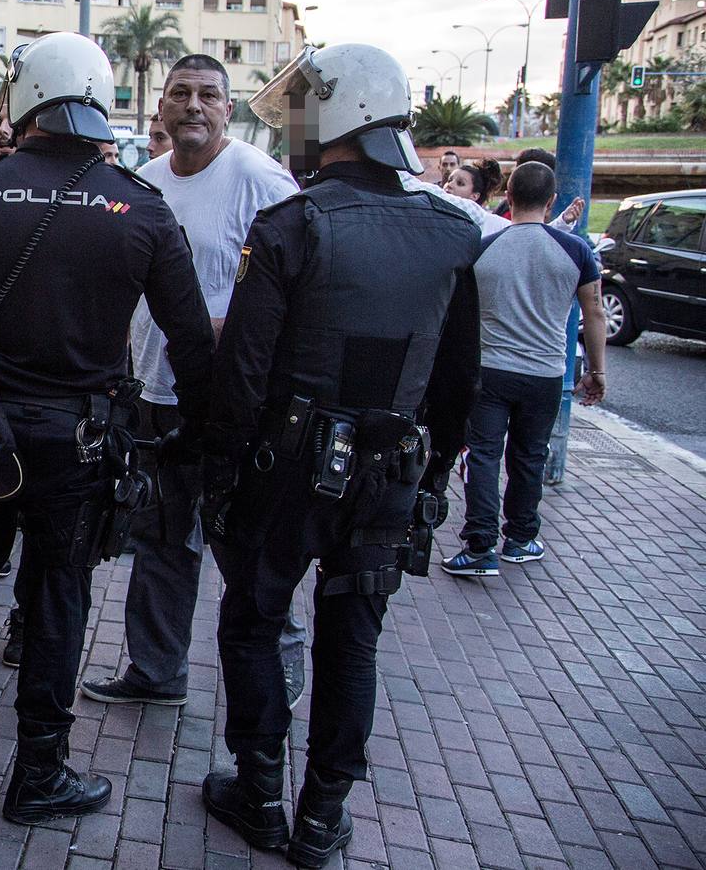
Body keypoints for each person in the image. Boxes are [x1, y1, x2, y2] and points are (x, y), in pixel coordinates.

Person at [0, 32, 215, 825]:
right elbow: (194, 342)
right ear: (101, 97)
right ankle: (40, 771)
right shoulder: (138, 204)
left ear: (25, 100)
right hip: (80, 442)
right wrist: (193, 435)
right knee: (60, 596)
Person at [198, 44, 482, 868]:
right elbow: (459, 380)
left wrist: (221, 481)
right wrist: (429, 481)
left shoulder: (293, 224)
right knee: (353, 641)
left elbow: (244, 372)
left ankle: (258, 794)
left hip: (286, 473)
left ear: (340, 113)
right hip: (389, 473)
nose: (297, 127)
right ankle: (322, 818)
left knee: (252, 622)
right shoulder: (453, 230)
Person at [80, 54, 308, 711]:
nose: (193, 105)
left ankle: (279, 676)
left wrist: (211, 324)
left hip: (233, 405)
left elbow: (297, 296)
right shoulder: (141, 184)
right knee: (159, 542)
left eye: (208, 94)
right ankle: (156, 672)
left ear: (227, 108)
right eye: (180, 93)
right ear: (159, 108)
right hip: (153, 395)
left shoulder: (262, 181)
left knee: (246, 548)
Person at [444, 162, 607, 576]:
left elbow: (458, 315)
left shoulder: (484, 247)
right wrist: (596, 372)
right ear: (551, 201)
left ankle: (479, 547)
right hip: (546, 373)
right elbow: (595, 313)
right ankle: (520, 537)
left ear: (509, 197)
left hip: (492, 369)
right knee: (530, 456)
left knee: (482, 454)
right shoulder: (576, 252)